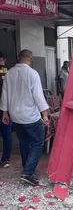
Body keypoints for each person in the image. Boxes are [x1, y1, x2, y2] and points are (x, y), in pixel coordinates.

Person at [0, 49, 49, 186]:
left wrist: (4, 113)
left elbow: (5, 94)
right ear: (31, 60)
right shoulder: (32, 74)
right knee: (37, 143)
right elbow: (38, 96)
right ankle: (27, 172)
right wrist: (44, 114)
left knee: (24, 142)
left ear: (18, 57)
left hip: (15, 116)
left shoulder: (9, 73)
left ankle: (27, 169)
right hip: (30, 117)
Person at [0, 51, 12, 168]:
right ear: (3, 59)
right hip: (6, 108)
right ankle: (5, 159)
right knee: (7, 134)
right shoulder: (8, 72)